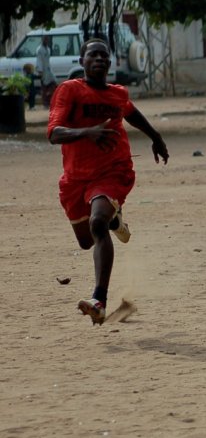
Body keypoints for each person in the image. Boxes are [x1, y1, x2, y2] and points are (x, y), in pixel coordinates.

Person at [48, 39, 169, 325]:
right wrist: (87, 132)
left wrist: (156, 137)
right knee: (86, 241)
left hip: (113, 171)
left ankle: (99, 300)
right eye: (93, 54)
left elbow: (130, 111)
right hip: (76, 178)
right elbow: (53, 133)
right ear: (82, 59)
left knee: (97, 223)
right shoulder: (70, 91)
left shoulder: (117, 94)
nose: (99, 59)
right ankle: (115, 221)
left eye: (104, 55)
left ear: (110, 62)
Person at [35, 34, 58, 109]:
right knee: (44, 87)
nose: (46, 41)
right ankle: (45, 104)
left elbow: (48, 61)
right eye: (45, 39)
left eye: (47, 39)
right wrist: (40, 71)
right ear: (42, 40)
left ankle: (51, 101)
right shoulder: (39, 50)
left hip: (48, 70)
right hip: (43, 71)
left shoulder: (48, 49)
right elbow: (39, 61)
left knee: (54, 83)